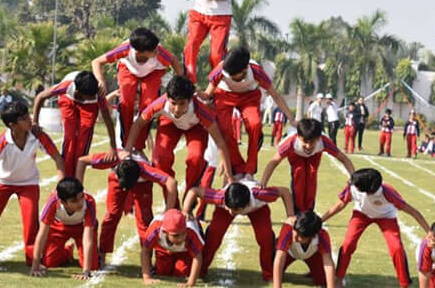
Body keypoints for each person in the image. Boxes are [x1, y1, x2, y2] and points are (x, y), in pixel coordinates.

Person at [0, 101, 65, 264]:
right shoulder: (3, 141)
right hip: (1, 182)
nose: (30, 120)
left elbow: (58, 158)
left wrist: (61, 187)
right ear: (13, 125)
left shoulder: (37, 135)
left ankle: (33, 259)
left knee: (31, 222)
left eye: (28, 115)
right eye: (24, 119)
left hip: (28, 183)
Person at [125, 75, 234, 198]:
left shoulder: (201, 110)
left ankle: (189, 201)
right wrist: (128, 149)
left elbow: (220, 142)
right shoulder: (160, 104)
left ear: (190, 99)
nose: (177, 109)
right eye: (173, 103)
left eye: (182, 103)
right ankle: (172, 202)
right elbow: (138, 123)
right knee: (160, 158)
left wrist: (229, 176)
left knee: (196, 158)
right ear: (167, 98)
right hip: (169, 123)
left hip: (195, 127)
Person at [322, 168, 429, 288]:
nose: (352, 184)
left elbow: (413, 211)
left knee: (396, 249)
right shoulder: (353, 187)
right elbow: (340, 204)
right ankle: (338, 279)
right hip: (361, 214)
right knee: (348, 244)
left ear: (367, 190)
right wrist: (321, 220)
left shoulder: (388, 193)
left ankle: (404, 284)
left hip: (386, 217)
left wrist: (429, 232)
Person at [202, 47, 295, 176]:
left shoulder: (257, 71)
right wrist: (195, 93)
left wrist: (291, 119)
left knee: (255, 124)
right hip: (224, 96)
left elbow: (276, 96)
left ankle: (250, 168)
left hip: (248, 97)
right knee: (225, 129)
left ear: (245, 69)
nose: (231, 78)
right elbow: (207, 94)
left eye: (234, 76)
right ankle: (238, 166)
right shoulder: (220, 70)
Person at [75, 150, 178, 266]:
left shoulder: (145, 169)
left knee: (144, 221)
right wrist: (78, 190)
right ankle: (101, 256)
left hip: (142, 184)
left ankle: (148, 262)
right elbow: (81, 161)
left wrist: (168, 213)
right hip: (115, 180)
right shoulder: (113, 158)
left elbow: (171, 182)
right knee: (112, 215)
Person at [183, 179, 294, 281]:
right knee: (214, 235)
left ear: (246, 205)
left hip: (258, 210)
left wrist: (290, 216)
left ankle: (269, 273)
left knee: (265, 237)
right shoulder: (220, 197)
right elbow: (194, 191)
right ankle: (201, 270)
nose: (231, 212)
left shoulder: (260, 195)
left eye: (235, 210)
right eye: (229, 207)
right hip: (223, 210)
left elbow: (284, 192)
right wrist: (185, 211)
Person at [91, 27, 182, 151]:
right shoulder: (125, 49)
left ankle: (138, 146)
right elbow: (96, 62)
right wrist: (101, 80)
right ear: (139, 52)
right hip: (128, 69)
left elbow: (175, 63)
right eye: (153, 50)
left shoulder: (160, 53)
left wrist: (181, 83)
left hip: (154, 72)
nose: (157, 51)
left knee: (149, 104)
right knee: (126, 101)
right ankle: (125, 143)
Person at [32, 70, 117, 178]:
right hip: (67, 99)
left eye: (93, 96)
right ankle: (66, 179)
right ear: (78, 92)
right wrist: (35, 121)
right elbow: (40, 97)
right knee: (70, 136)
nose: (92, 98)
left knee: (84, 137)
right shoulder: (66, 86)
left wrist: (113, 147)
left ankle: (77, 180)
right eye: (90, 97)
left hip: (89, 107)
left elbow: (108, 121)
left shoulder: (97, 95)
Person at [260, 118, 355, 212]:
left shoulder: (324, 142)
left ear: (318, 138)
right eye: (305, 142)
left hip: (315, 155)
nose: (308, 146)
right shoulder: (291, 142)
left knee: (311, 174)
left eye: (312, 142)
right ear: (298, 136)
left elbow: (344, 158)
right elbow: (273, 162)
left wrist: (353, 176)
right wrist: (263, 183)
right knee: (299, 173)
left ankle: (309, 209)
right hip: (295, 154)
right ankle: (298, 210)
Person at [28, 177, 99, 279]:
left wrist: (86, 272)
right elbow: (42, 234)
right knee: (49, 262)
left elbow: (87, 238)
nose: (79, 202)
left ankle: (91, 255)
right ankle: (67, 251)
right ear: (62, 202)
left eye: (81, 197)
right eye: (74, 201)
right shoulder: (53, 202)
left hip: (82, 227)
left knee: (93, 266)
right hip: (59, 226)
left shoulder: (89, 201)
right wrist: (35, 267)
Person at [140, 209, 204, 286]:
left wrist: (191, 283)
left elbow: (197, 257)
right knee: (163, 272)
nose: (180, 238)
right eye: (175, 235)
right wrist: (147, 277)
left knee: (182, 273)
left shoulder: (190, 231)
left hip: (185, 252)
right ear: (165, 232)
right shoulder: (156, 227)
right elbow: (145, 250)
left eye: (183, 233)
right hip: (164, 250)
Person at [273, 211, 336, 288]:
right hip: (288, 253)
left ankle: (313, 272)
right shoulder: (288, 228)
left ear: (312, 236)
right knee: (272, 271)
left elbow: (328, 263)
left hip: (312, 255)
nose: (295, 236)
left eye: (301, 236)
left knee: (322, 280)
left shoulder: (322, 235)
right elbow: (279, 258)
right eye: (295, 231)